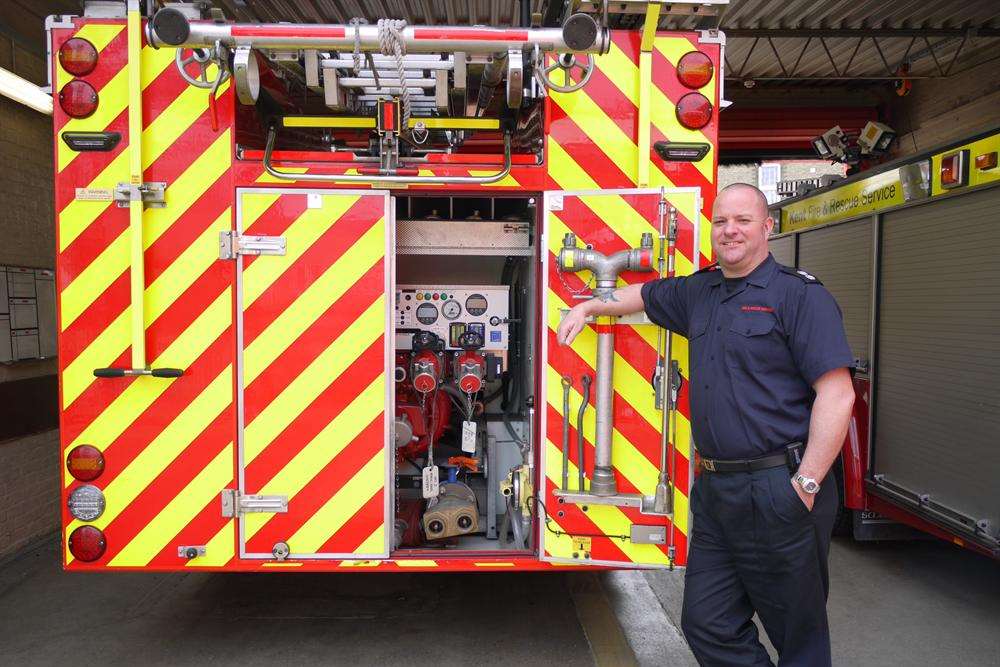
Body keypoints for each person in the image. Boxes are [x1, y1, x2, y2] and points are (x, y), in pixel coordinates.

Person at [557, 183, 855, 666]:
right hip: (717, 493)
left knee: (796, 634)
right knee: (707, 622)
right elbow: (644, 295)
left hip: (780, 487)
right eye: (721, 222)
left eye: (742, 220)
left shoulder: (800, 296)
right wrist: (591, 305)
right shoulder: (702, 290)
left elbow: (837, 394)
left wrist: (806, 482)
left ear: (767, 227)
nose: (729, 230)